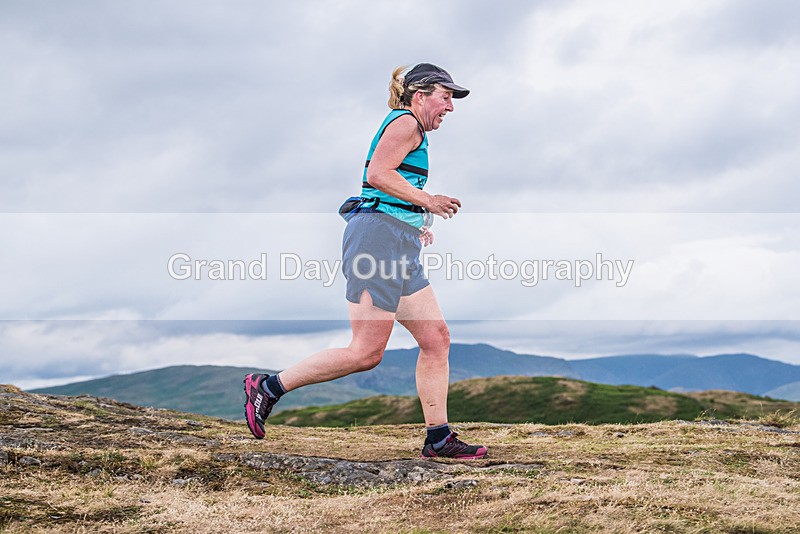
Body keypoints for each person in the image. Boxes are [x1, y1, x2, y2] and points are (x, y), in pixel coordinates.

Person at [244, 63, 487, 460]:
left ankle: (438, 438)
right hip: (376, 242)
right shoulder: (407, 122)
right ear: (420, 95)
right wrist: (429, 201)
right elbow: (377, 174)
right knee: (366, 352)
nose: (451, 107)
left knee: (436, 339)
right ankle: (267, 388)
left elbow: (390, 187)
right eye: (446, 97)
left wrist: (415, 222)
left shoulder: (413, 128)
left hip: (395, 241)